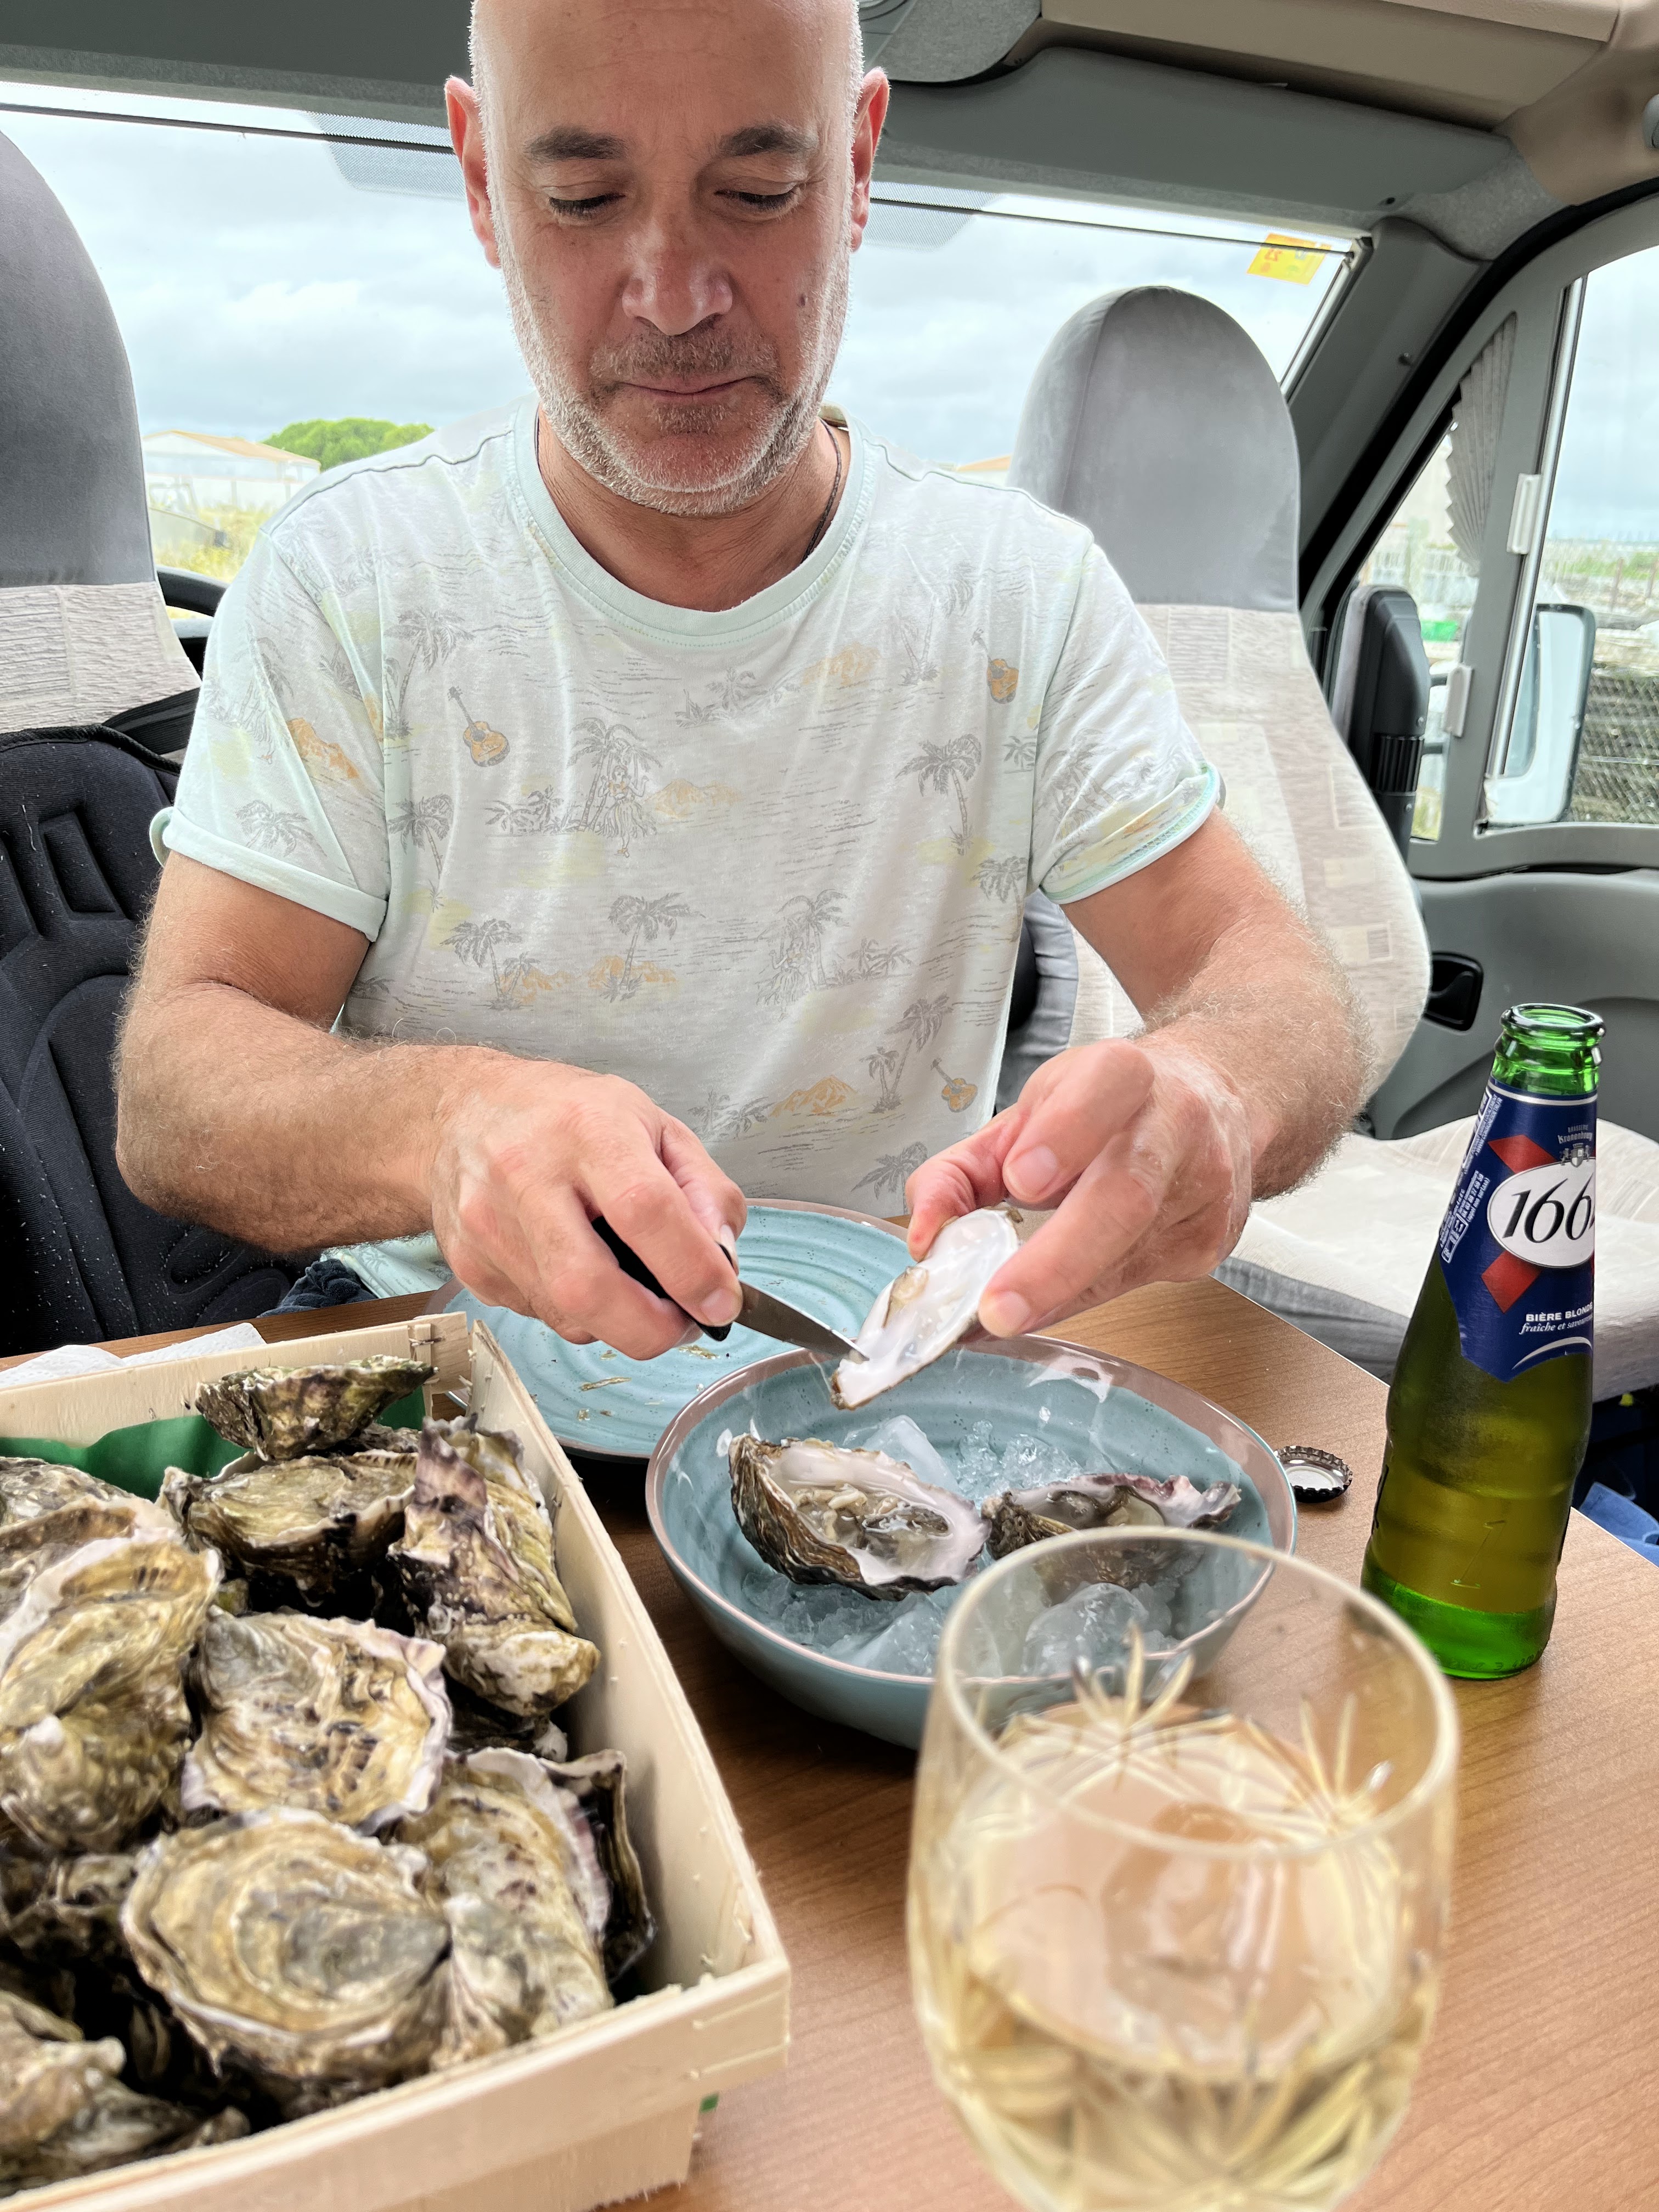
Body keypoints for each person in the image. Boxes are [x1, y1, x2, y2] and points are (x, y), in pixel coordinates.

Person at [116, 0, 1367, 1361]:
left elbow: (1281, 994)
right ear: (480, 181)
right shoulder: (349, 579)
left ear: (860, 164)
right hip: (443, 1354)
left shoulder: (1024, 596)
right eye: (584, 198)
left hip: (863, 1361)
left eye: (759, 190)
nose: (675, 296)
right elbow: (176, 1089)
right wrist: (444, 1122)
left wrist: (1211, 1091)